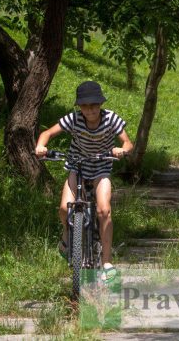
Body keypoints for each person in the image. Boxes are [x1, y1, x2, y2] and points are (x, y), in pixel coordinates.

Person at [35, 81, 133, 282]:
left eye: (94, 105)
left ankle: (107, 263)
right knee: (64, 208)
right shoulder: (73, 119)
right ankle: (67, 237)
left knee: (103, 210)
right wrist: (41, 146)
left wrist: (121, 149)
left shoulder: (111, 119)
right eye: (85, 106)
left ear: (100, 104)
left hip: (102, 166)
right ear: (79, 106)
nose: (90, 110)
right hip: (76, 165)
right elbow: (47, 133)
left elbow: (128, 142)